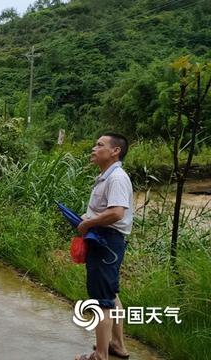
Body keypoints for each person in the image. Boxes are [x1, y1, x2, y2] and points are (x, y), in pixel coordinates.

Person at [74, 133, 133, 360]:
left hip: (106, 241)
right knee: (111, 293)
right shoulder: (107, 177)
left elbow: (117, 212)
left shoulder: (116, 177)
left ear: (115, 151)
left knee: (102, 300)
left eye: (100, 145)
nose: (94, 149)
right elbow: (108, 209)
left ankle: (100, 355)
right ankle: (116, 345)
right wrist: (88, 217)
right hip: (107, 241)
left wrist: (89, 222)